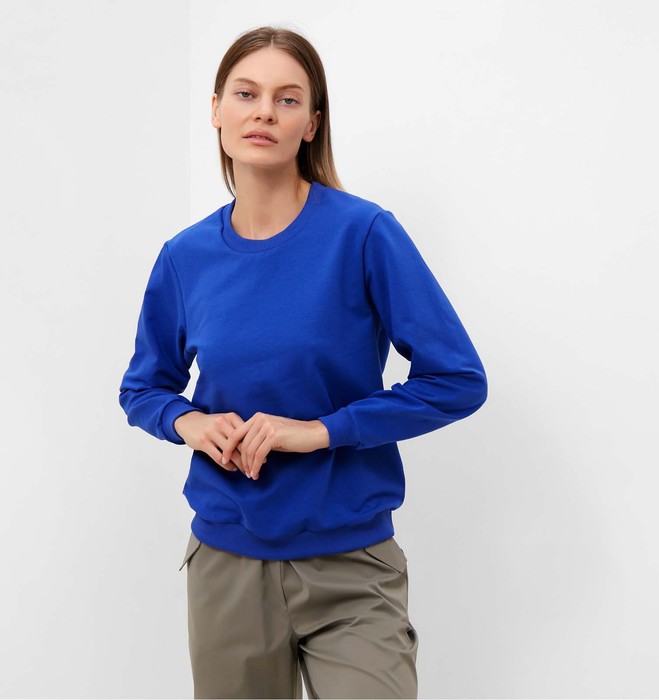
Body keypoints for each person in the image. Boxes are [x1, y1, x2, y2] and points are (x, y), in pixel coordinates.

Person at [119, 25, 487, 700]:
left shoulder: (364, 234)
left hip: (352, 565)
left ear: (311, 124)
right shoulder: (185, 257)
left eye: (287, 99)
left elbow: (457, 380)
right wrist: (190, 424)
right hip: (226, 565)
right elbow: (144, 387)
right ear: (216, 110)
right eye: (246, 94)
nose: (264, 111)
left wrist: (319, 431)